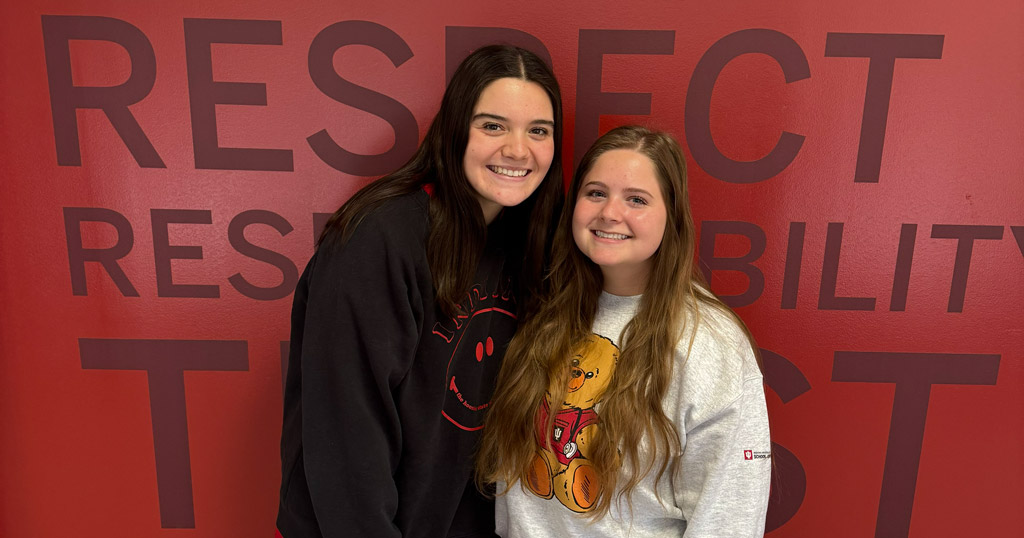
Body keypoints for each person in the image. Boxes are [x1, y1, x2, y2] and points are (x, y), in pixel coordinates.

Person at [276, 45, 564, 538]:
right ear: (454, 130)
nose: (518, 150)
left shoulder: (525, 244)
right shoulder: (379, 239)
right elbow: (346, 436)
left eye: (538, 130)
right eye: (492, 126)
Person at [478, 126, 771, 537]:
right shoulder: (543, 310)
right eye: (596, 193)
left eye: (636, 199)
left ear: (672, 215)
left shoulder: (709, 343)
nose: (610, 213)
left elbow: (730, 517)